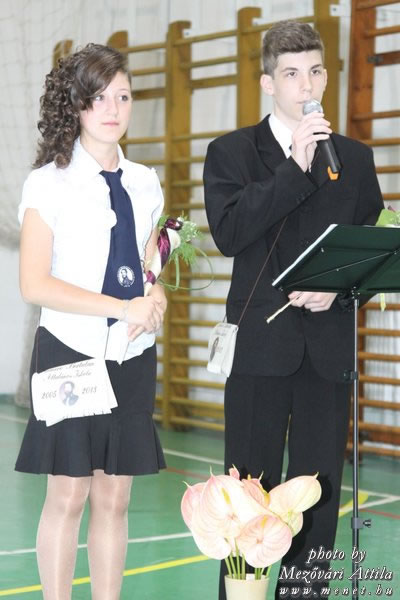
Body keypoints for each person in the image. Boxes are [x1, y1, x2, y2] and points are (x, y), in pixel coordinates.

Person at [203, 20, 384, 599]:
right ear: (268, 83)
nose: (304, 84)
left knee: (318, 503)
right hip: (260, 351)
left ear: (325, 78)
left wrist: (342, 289)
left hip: (328, 354)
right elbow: (230, 234)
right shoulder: (231, 153)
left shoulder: (354, 158)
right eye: (290, 74)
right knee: (247, 500)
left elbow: (373, 252)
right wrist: (295, 168)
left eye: (313, 71)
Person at [15, 43, 167, 600]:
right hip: (69, 349)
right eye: (99, 98)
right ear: (76, 106)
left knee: (115, 497)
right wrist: (120, 308)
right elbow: (34, 285)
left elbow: (148, 264)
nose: (112, 109)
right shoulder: (47, 183)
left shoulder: (145, 182)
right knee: (69, 495)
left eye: (122, 97)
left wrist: (154, 296)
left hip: (131, 353)